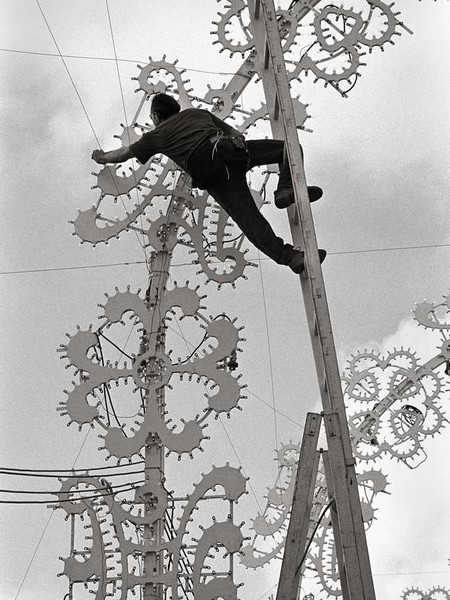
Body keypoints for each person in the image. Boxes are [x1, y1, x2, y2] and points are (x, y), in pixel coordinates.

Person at [91, 93, 326, 274]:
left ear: (154, 117)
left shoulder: (155, 136)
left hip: (210, 172)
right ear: (176, 108)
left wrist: (103, 157)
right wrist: (244, 156)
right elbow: (237, 134)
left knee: (250, 220)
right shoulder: (197, 113)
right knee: (288, 149)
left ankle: (292, 258)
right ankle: (284, 188)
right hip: (228, 151)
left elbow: (125, 153)